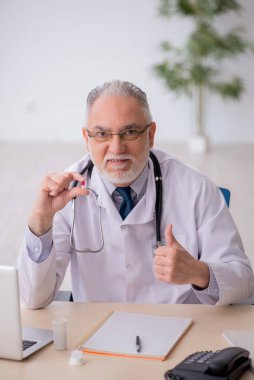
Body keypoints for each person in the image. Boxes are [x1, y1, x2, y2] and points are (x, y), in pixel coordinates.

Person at [17, 80, 254, 309]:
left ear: (151, 135)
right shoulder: (64, 194)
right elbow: (33, 298)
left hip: (181, 329)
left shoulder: (196, 187)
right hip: (95, 334)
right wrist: (40, 223)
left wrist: (198, 272)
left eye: (129, 132)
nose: (117, 147)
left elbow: (243, 280)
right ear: (86, 139)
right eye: (102, 134)